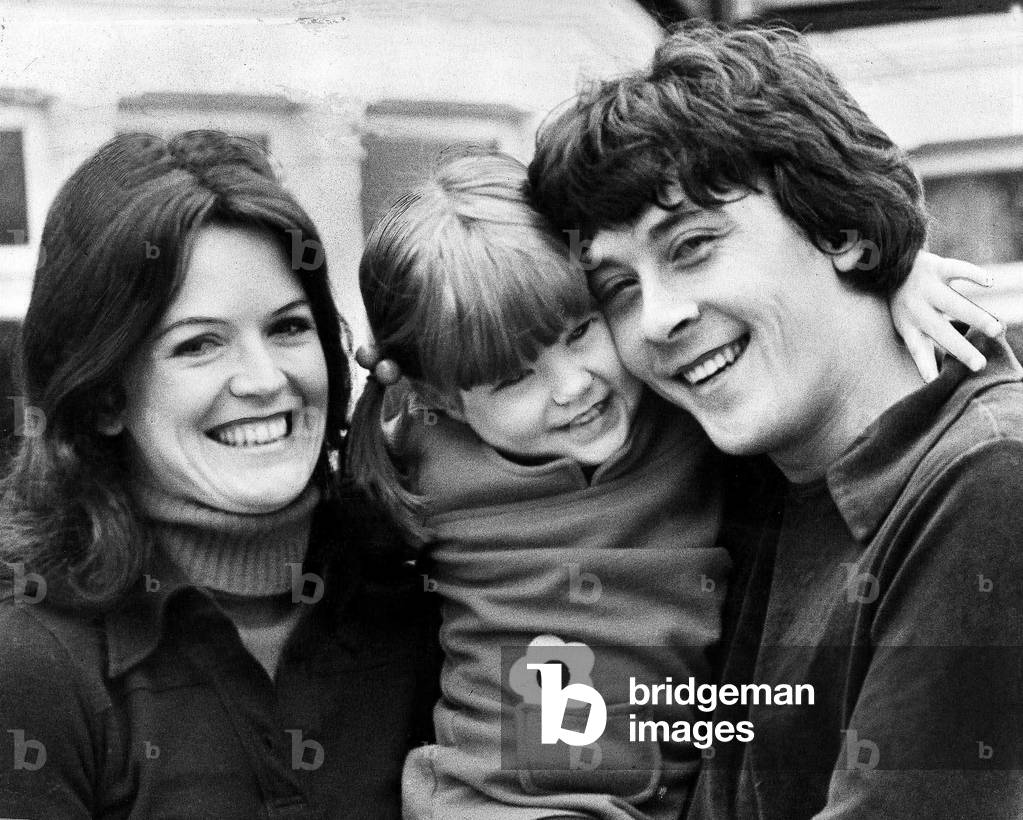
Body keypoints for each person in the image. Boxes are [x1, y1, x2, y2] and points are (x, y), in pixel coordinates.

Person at [347, 151, 1001, 820]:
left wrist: (896, 272)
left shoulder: (683, 415)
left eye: (579, 332)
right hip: (498, 802)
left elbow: (804, 325)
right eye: (513, 379)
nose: (572, 386)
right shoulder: (424, 463)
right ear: (444, 398)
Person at [527, 22, 1023, 820]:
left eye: (691, 245)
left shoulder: (987, 478)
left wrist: (889, 245)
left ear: (841, 229)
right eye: (617, 287)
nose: (654, 320)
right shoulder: (742, 464)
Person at [0, 130, 436, 819]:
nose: (266, 381)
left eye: (289, 328)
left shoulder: (428, 598)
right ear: (105, 394)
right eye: (199, 344)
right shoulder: (29, 665)